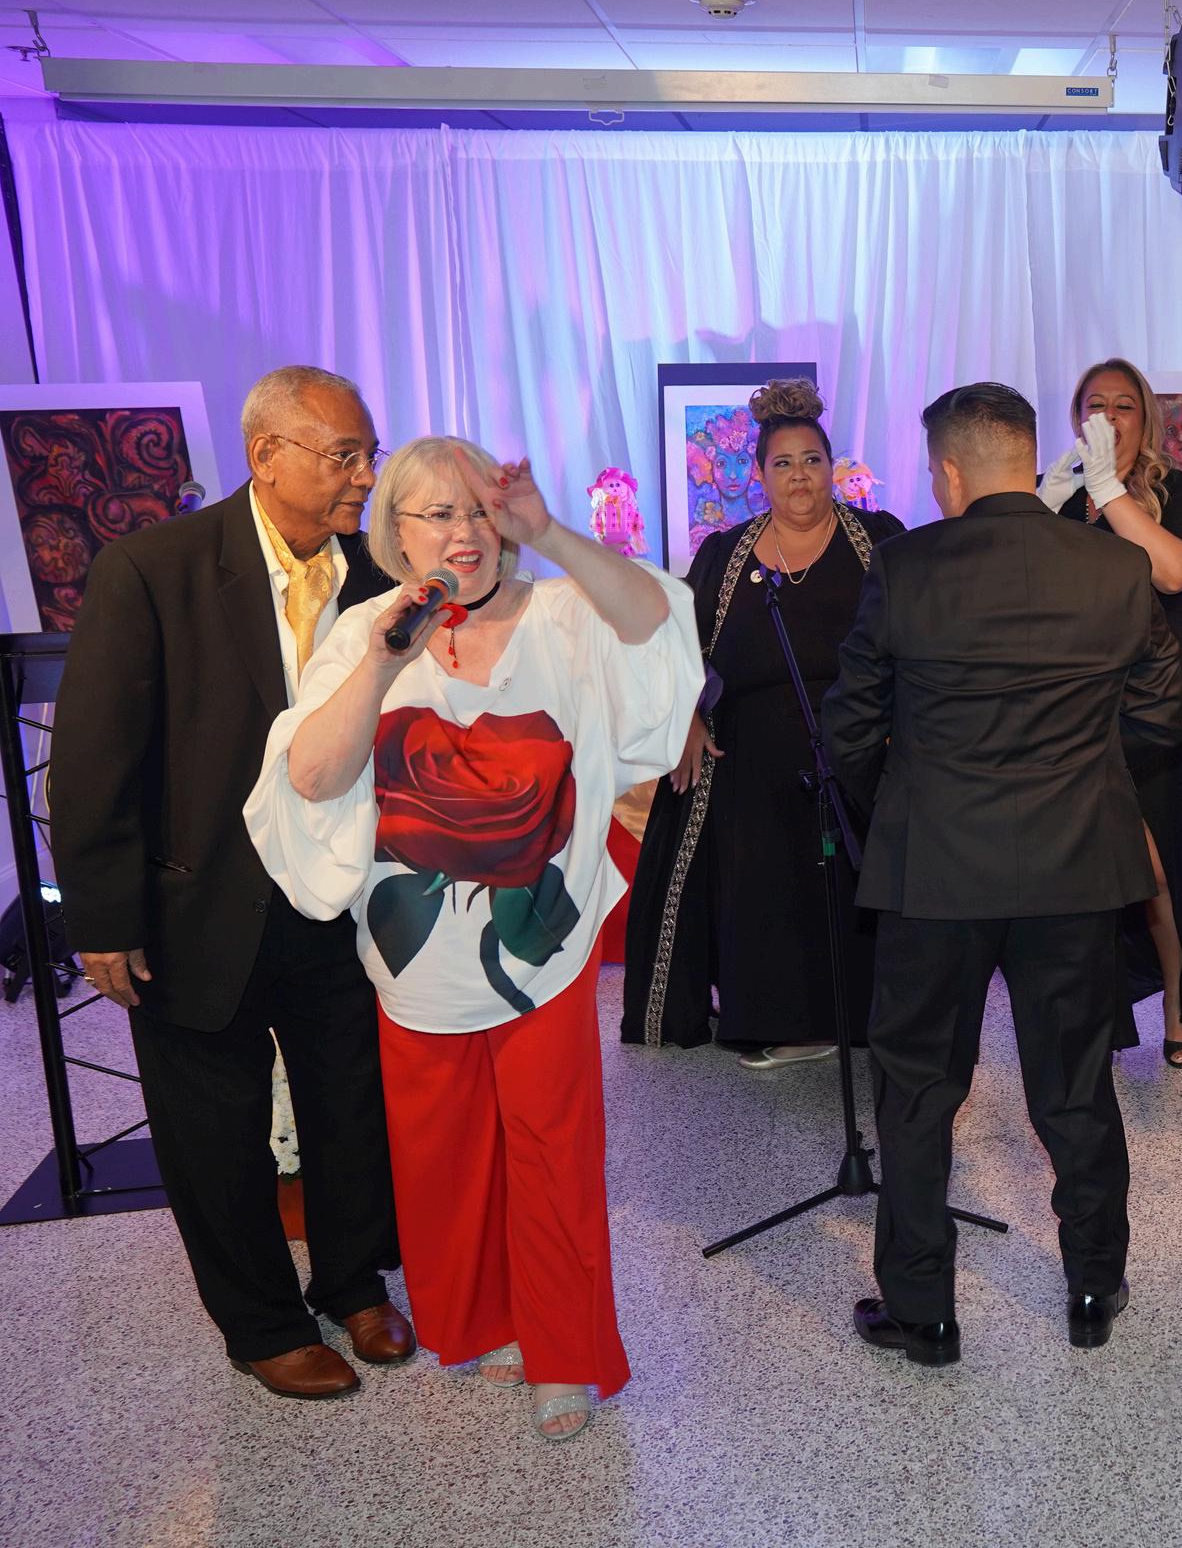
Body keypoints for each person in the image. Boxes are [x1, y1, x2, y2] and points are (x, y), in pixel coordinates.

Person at [245, 436, 702, 1439]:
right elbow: (312, 776)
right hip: (415, 960)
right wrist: (383, 662)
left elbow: (655, 622)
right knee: (445, 1156)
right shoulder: (366, 630)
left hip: (539, 947)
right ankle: (491, 1321)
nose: (464, 531)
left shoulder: (565, 613)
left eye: (478, 510)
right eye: (437, 514)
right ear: (396, 534)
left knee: (551, 1150)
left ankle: (563, 1353)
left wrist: (554, 533)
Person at [50, 365, 411, 1401]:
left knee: (351, 1103)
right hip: (197, 900)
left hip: (337, 897)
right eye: (344, 455)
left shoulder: (381, 577)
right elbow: (95, 754)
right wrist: (103, 917)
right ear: (267, 456)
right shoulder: (153, 568)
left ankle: (355, 1283)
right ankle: (261, 1322)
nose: (364, 476)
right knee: (216, 1127)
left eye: (370, 453)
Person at [827, 382, 1182, 1364]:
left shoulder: (905, 568)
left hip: (934, 868)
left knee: (917, 1089)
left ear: (949, 472)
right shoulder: (1115, 568)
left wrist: (900, 805)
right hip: (1074, 866)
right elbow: (1163, 713)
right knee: (1074, 1084)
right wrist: (1086, 779)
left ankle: (923, 1312)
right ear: (1030, 458)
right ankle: (1093, 1286)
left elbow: (848, 726)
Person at [620, 379, 905, 1067]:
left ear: (832, 466)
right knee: (763, 889)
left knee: (855, 886)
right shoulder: (725, 554)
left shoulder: (880, 541)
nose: (799, 476)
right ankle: (779, 1021)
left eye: (811, 460)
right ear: (759, 475)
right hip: (747, 762)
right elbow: (680, 646)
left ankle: (869, 1018)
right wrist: (689, 718)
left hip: (858, 753)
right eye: (783, 463)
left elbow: (917, 638)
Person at [1039, 359, 1182, 1066]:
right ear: (1076, 415)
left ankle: (1179, 1008)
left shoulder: (1178, 490)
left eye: (1123, 405)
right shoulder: (1059, 490)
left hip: (1157, 695)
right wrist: (1052, 498)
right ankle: (1100, 1015)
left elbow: (1174, 572)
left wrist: (1110, 490)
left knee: (1158, 860)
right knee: (1083, 864)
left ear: (1145, 417)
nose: (1109, 417)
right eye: (1096, 404)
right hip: (1074, 696)